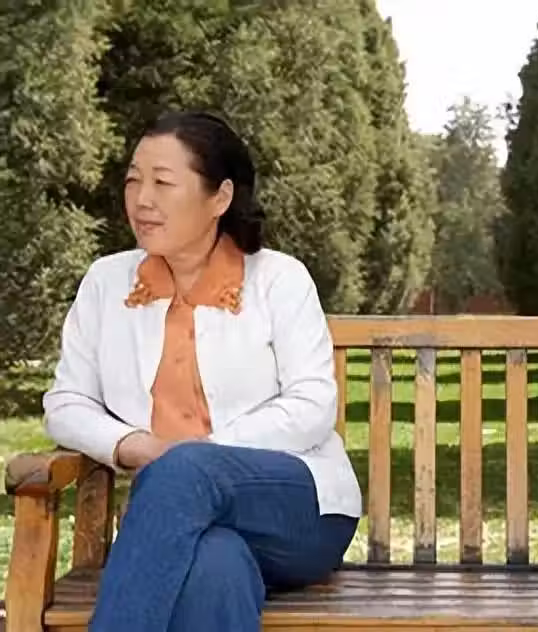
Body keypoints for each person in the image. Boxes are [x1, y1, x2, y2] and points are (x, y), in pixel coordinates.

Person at [43, 111, 362, 631]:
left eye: (163, 183)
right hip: (179, 521)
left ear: (220, 197)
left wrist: (198, 457)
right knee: (214, 566)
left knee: (187, 471)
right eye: (133, 180)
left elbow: (312, 405)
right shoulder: (106, 283)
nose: (142, 199)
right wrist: (134, 446)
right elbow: (65, 403)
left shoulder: (279, 279)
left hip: (298, 509)